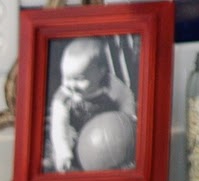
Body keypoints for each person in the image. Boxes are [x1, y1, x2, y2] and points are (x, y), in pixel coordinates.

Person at [48, 36, 135, 172]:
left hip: (111, 132)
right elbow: (59, 127)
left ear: (101, 72)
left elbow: (125, 97)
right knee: (74, 161)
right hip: (79, 138)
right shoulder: (64, 97)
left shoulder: (110, 84)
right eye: (66, 77)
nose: (70, 84)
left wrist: (128, 116)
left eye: (78, 79)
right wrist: (63, 153)